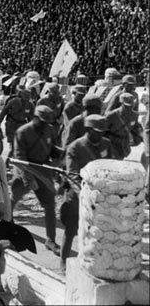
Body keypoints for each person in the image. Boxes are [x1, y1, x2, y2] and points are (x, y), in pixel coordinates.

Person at [59, 114, 112, 272]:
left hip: (100, 196)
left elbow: (109, 166)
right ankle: (63, 262)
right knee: (71, 230)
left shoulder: (106, 144)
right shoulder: (76, 147)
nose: (101, 135)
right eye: (97, 131)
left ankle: (93, 262)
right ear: (88, 130)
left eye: (103, 132)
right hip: (77, 196)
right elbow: (72, 174)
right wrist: (85, 195)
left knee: (98, 231)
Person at [10, 105, 63, 255]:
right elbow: (19, 158)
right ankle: (7, 225)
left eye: (48, 122)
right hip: (24, 171)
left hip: (43, 171)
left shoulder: (49, 130)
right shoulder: (22, 132)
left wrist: (59, 155)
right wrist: (28, 180)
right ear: (35, 118)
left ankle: (50, 240)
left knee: (50, 206)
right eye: (42, 121)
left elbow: (51, 147)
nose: (45, 125)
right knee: (13, 199)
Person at [0, 87, 32, 158]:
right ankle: (7, 161)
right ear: (21, 97)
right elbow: (4, 111)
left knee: (21, 145)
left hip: (22, 125)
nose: (26, 101)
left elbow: (31, 118)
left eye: (27, 99)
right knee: (13, 145)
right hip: (11, 125)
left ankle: (13, 160)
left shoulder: (30, 105)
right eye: (25, 99)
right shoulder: (14, 101)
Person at [105, 93, 141, 160]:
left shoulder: (134, 115)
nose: (129, 108)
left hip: (124, 144)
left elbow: (135, 129)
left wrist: (138, 138)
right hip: (112, 143)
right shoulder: (112, 115)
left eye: (131, 106)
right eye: (126, 106)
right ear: (121, 104)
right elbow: (103, 131)